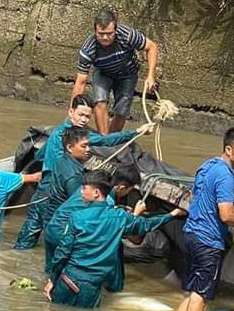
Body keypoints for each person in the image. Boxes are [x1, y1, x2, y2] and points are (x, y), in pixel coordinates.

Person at [13, 96, 150, 250]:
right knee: (59, 239)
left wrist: (136, 132)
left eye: (87, 116)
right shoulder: (68, 139)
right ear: (71, 112)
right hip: (53, 195)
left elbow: (39, 156)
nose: (84, 120)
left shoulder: (62, 133)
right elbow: (105, 142)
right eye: (81, 115)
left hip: (42, 191)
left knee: (29, 235)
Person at [170, 126, 234, 311]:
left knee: (192, 292)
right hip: (207, 242)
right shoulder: (226, 176)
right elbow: (226, 215)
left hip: (190, 235)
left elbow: (206, 199)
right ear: (229, 149)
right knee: (200, 298)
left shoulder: (207, 166)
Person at [45, 171, 186, 308]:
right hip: (92, 285)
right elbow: (147, 225)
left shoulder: (77, 217)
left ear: (96, 193)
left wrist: (52, 278)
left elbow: (63, 251)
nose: (81, 191)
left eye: (84, 188)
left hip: (68, 279)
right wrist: (171, 214)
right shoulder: (120, 217)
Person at [70, 9, 159, 136]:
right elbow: (80, 82)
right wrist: (73, 112)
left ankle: (111, 142)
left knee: (122, 110)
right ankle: (104, 139)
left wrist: (151, 76)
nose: (105, 37)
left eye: (109, 33)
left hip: (128, 73)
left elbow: (152, 47)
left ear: (115, 30)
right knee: (99, 101)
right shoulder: (88, 49)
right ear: (95, 31)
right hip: (103, 72)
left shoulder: (127, 35)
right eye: (101, 34)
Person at [42, 164, 142, 269]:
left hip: (52, 229)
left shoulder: (91, 185)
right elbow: (113, 229)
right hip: (63, 236)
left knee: (52, 271)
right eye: (129, 191)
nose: (127, 194)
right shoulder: (107, 201)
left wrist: (118, 208)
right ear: (121, 188)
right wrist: (135, 215)